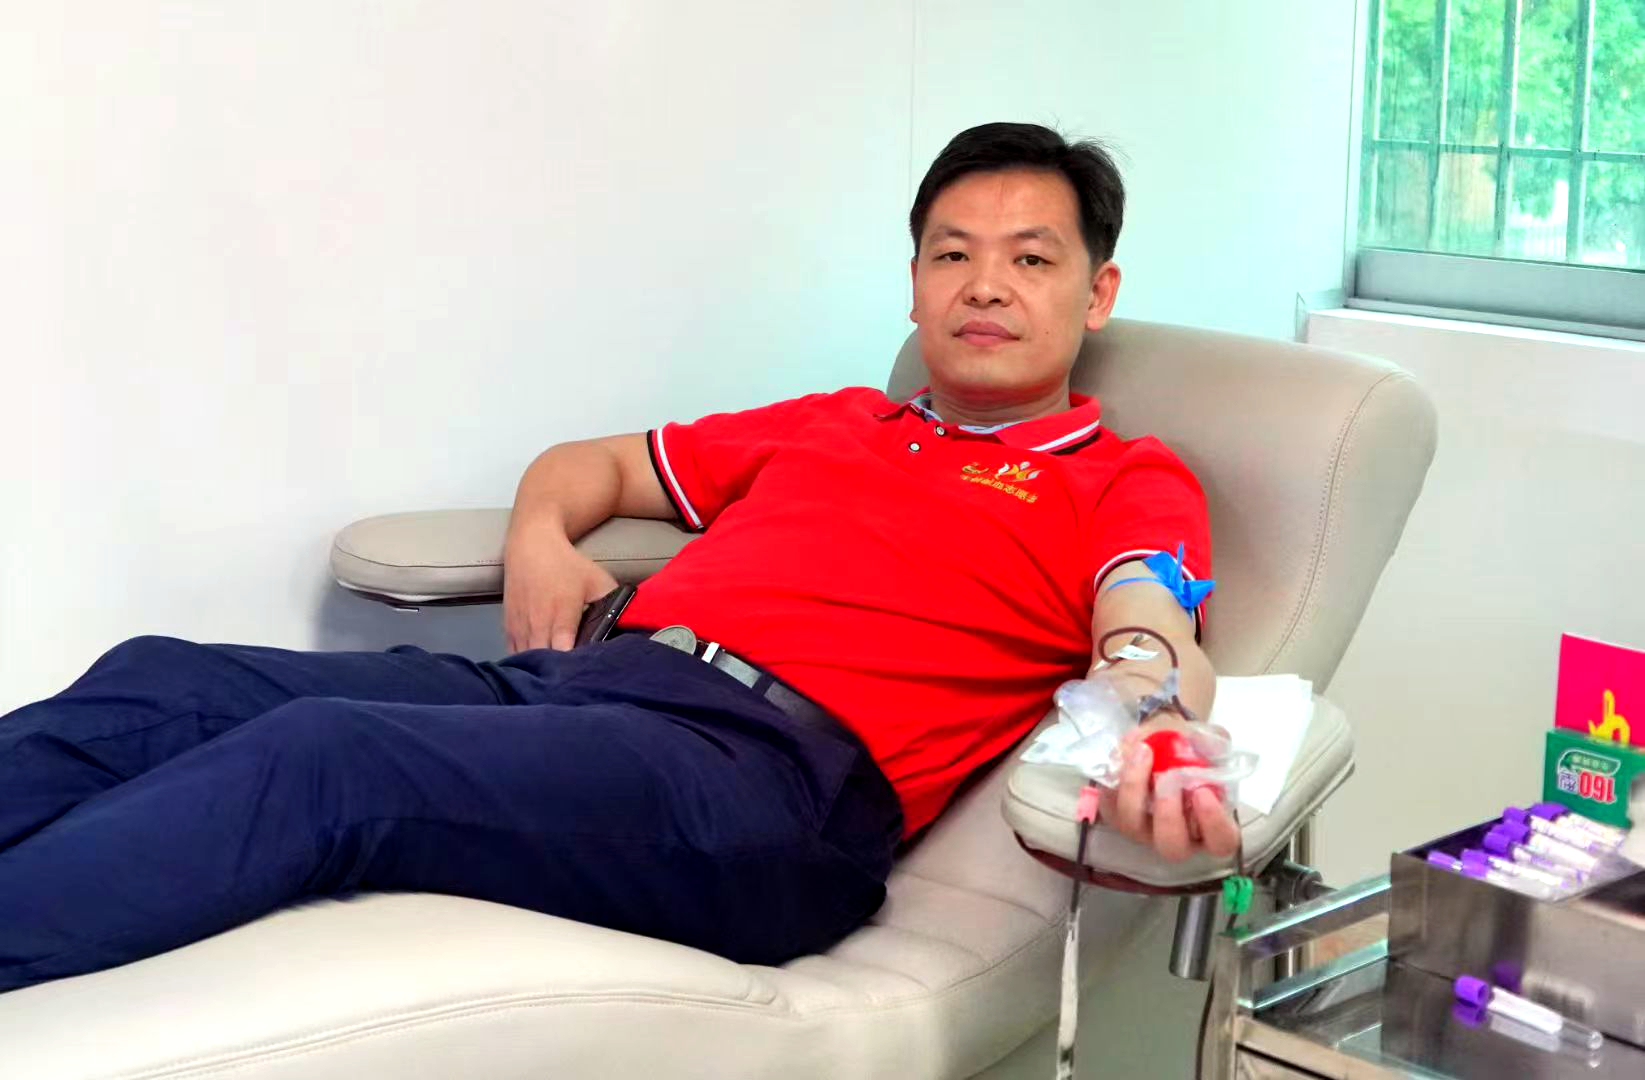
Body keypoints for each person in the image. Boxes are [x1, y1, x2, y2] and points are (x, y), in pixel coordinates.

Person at [0, 122, 1236, 994]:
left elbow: (1146, 624)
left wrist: (1148, 720)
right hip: (590, 692)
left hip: (769, 790)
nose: (984, 286)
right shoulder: (838, 422)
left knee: (326, 759)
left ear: (1096, 293)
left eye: (1031, 257)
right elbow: (588, 464)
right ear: (914, 285)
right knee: (169, 679)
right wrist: (539, 538)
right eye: (952, 253)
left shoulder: (1120, 474)